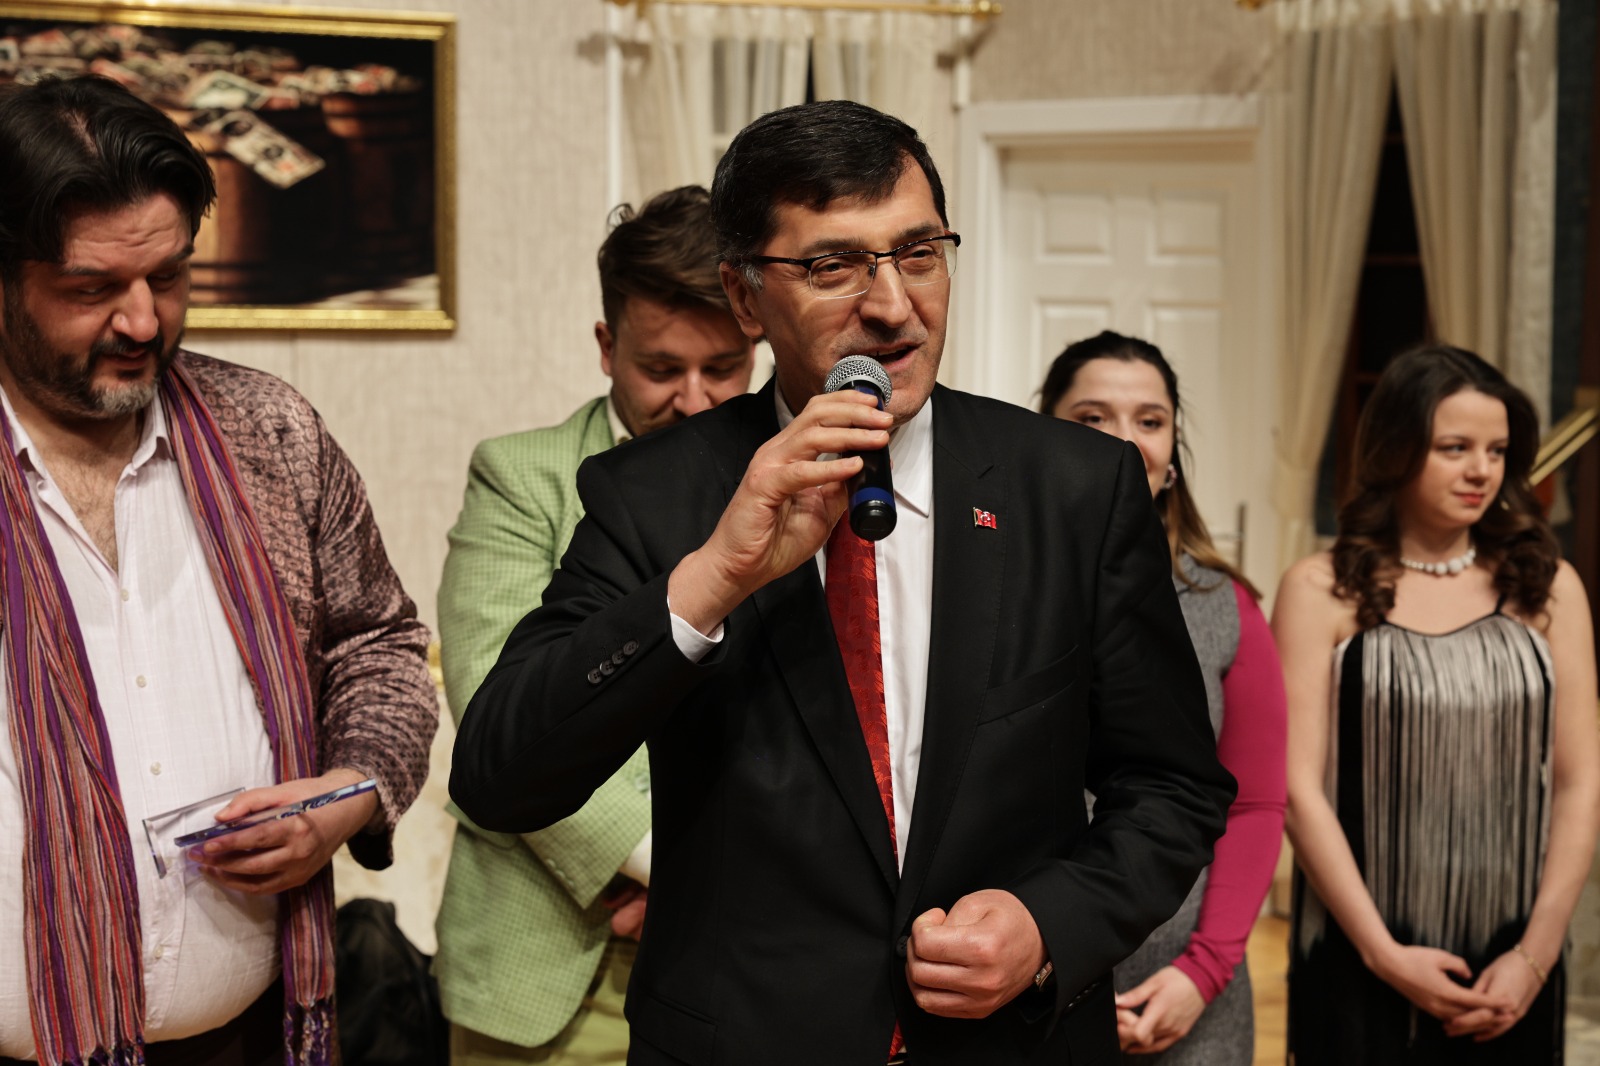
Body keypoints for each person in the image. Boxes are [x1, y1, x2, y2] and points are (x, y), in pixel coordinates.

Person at [450, 99, 1235, 1066]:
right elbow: (501, 774)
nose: (894, 305)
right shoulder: (655, 493)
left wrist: (1047, 926)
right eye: (833, 266)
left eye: (920, 254)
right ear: (745, 299)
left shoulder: (1074, 486)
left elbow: (1171, 787)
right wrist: (713, 578)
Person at [0, 75, 437, 1065]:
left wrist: (349, 793)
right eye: (92, 289)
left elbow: (379, 645)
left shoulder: (270, 432)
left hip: (249, 1038)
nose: (142, 321)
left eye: (169, 277)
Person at [432, 185, 757, 1064]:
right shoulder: (520, 477)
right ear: (607, 346)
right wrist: (677, 869)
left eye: (724, 368)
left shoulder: (790, 481)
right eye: (661, 368)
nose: (695, 399)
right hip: (551, 965)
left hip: (749, 964)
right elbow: (500, 708)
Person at [1272, 344, 1600, 1063]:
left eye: (1496, 451)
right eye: (1455, 448)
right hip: (1359, 951)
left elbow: (1580, 784)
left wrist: (1536, 957)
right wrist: (1382, 953)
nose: (1482, 470)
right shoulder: (1320, 588)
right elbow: (1296, 789)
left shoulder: (1549, 586)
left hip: (1512, 960)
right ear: (1395, 449)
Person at [1040, 331, 1286, 1062]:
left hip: (1187, 996)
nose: (1124, 440)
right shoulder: (991, 588)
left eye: (1150, 420)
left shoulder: (1227, 606)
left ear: (1173, 451)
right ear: (1043, 431)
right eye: (1092, 417)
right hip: (1024, 988)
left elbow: (1254, 804)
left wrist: (1203, 972)